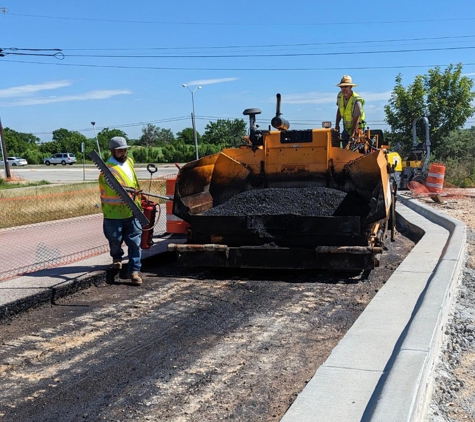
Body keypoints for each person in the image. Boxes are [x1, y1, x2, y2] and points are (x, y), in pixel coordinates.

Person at [98, 136, 143, 285]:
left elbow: (133, 181)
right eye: (119, 151)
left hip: (132, 211)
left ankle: (134, 271)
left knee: (135, 243)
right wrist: (129, 191)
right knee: (115, 240)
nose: (123, 153)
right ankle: (117, 258)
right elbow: (117, 189)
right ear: (112, 151)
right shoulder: (107, 170)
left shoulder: (129, 162)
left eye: (124, 150)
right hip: (114, 213)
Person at [334, 75, 366, 149]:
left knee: (354, 150)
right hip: (346, 129)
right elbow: (339, 110)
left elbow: (356, 119)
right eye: (342, 87)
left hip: (358, 129)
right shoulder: (340, 96)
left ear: (350, 87)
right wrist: (337, 125)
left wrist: (352, 135)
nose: (343, 89)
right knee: (344, 149)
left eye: (346, 87)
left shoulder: (357, 100)